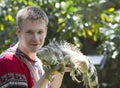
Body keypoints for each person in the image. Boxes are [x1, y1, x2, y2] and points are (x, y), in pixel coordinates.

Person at [0, 6, 68, 88]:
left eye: (40, 32)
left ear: (45, 31)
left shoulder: (40, 61)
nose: (36, 39)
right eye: (30, 32)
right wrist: (47, 75)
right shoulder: (8, 61)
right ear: (18, 31)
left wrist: (60, 70)